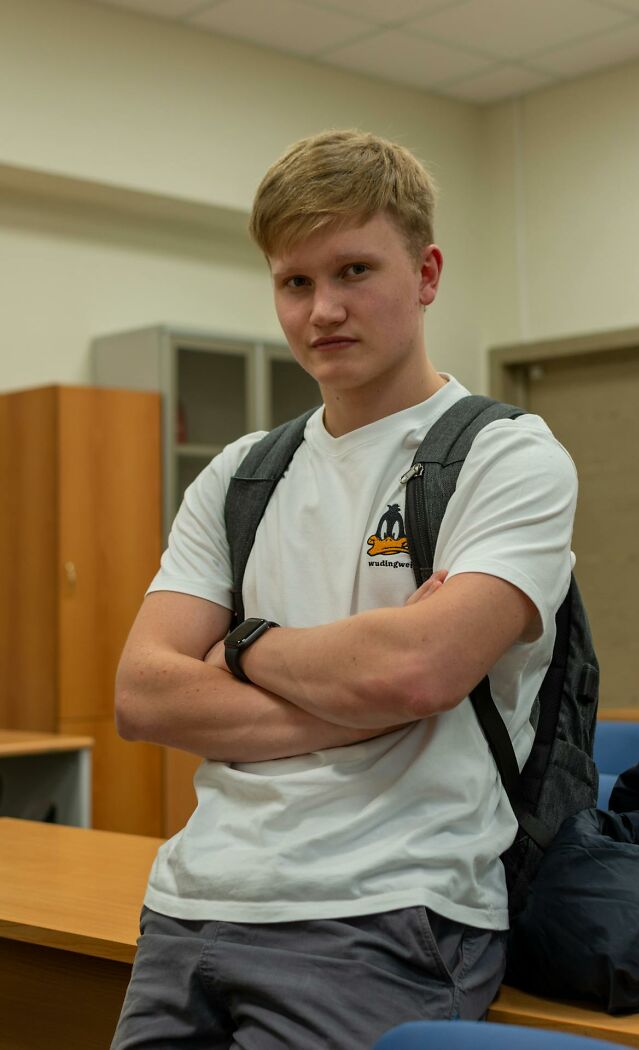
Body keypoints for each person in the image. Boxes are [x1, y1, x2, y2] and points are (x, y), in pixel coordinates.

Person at [111, 129, 577, 1049]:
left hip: (388, 914)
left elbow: (415, 673)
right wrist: (361, 692)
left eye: (355, 269)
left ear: (428, 273)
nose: (323, 309)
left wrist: (245, 646)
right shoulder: (242, 472)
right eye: (295, 282)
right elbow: (141, 694)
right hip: (189, 904)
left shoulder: (506, 455)